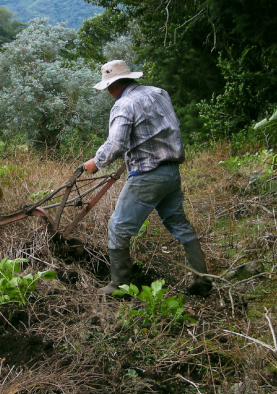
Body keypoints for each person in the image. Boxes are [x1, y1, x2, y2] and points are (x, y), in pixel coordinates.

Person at [83, 60, 212, 296]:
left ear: (112, 86)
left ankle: (118, 285)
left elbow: (115, 144)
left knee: (118, 227)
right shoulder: (158, 93)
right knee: (179, 224)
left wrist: (95, 162)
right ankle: (202, 279)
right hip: (171, 172)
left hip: (147, 175)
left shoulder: (123, 105)